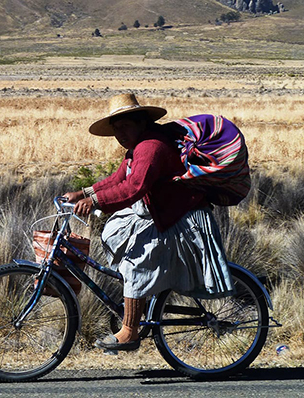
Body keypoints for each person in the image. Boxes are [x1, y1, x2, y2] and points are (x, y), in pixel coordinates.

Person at [63, 93, 233, 351]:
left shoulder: (151, 146)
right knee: (118, 233)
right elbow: (118, 178)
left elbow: (134, 187)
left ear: (141, 122)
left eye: (125, 125)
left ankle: (130, 331)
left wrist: (96, 202)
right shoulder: (137, 147)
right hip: (160, 210)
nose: (120, 133)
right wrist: (85, 192)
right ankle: (137, 297)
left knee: (136, 262)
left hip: (177, 216)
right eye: (116, 128)